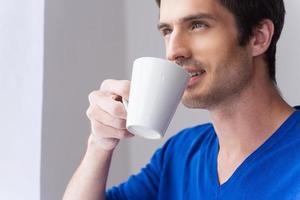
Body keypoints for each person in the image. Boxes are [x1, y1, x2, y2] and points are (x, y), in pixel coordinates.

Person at [63, 0, 300, 199]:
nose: (173, 52)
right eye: (167, 31)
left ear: (258, 37)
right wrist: (99, 144)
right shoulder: (179, 155)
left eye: (198, 25)